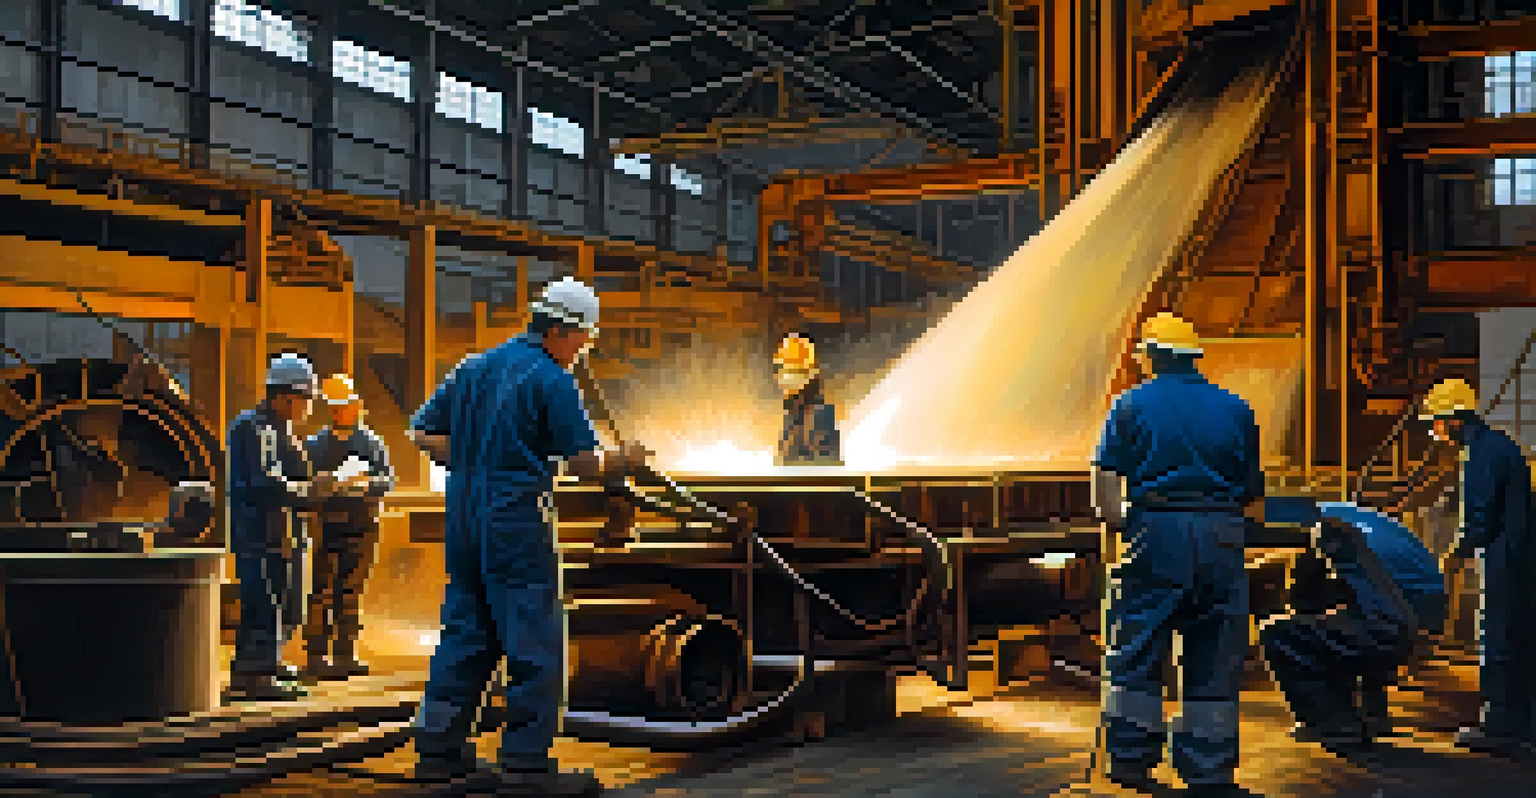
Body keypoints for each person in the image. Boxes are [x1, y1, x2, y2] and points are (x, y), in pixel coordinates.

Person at [408, 277, 648, 796]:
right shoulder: (552, 379)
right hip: (516, 522)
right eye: (583, 340)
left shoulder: (472, 368)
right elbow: (584, 464)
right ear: (561, 330)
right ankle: (525, 762)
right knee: (534, 639)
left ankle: (439, 752)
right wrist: (624, 461)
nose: (582, 351)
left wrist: (472, 461)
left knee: (465, 633)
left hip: (465, 519)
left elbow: (422, 432)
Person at [1091, 312, 1263, 796]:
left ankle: (1130, 760)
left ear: (1152, 356)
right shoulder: (1236, 408)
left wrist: (1127, 527)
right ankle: (1208, 768)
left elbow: (1105, 495)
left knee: (1137, 647)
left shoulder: (1129, 405)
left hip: (1156, 532)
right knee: (1215, 653)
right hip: (1222, 534)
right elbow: (1255, 499)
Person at [1258, 505, 1435, 758]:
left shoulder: (1331, 537)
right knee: (1333, 635)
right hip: (1403, 629)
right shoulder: (1376, 547)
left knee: (1277, 633)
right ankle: (1371, 716)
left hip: (1381, 632)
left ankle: (1337, 722)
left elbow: (1301, 603)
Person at [1421, 378, 1533, 756]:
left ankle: (1499, 726)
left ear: (1455, 420)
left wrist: (1452, 558)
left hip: (1503, 559)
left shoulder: (1480, 454)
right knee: (1520, 638)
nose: (1436, 432)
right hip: (1519, 555)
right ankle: (1522, 723)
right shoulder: (1502, 446)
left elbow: (1479, 519)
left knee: (1497, 637)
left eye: (1437, 423)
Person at [225, 352, 331, 702]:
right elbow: (264, 481)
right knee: (265, 603)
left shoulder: (281, 430)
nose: (309, 407)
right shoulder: (253, 428)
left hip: (283, 533)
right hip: (260, 533)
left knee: (287, 603)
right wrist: (309, 491)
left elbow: (293, 477)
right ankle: (255, 675)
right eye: (306, 399)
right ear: (284, 396)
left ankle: (267, 662)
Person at [303, 374, 394, 681]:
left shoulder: (371, 444)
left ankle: (344, 654)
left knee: (351, 592)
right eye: (336, 407)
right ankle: (317, 656)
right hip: (326, 525)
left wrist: (368, 484)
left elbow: (387, 481)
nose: (341, 411)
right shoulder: (315, 446)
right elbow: (304, 483)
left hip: (362, 524)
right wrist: (328, 483)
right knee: (322, 591)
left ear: (356, 406)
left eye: (345, 406)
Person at [773, 333, 841, 466]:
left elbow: (821, 469)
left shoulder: (816, 418)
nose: (779, 377)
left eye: (783, 368)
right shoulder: (796, 415)